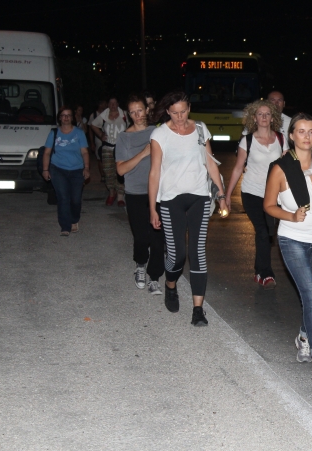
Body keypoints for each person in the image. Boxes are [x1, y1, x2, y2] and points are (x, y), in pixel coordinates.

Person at [264, 113, 312, 378]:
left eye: (311, 131)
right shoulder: (281, 168)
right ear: (291, 135)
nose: (307, 136)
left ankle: (303, 336)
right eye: (301, 131)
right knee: (310, 297)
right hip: (292, 239)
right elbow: (268, 205)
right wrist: (290, 215)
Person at [148, 91, 227, 326]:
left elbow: (211, 163)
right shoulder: (159, 134)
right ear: (167, 111)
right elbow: (154, 172)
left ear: (189, 108)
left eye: (183, 111)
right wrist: (152, 208)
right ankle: (170, 284)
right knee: (177, 255)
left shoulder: (200, 129)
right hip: (170, 198)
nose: (180, 117)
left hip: (199, 196)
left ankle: (198, 310)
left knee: (197, 252)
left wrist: (221, 196)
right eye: (174, 113)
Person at [225, 100, 287, 288]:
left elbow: (287, 167)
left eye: (267, 114)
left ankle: (259, 271)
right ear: (254, 118)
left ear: (273, 118)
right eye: (260, 114)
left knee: (268, 233)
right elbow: (238, 168)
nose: (264, 117)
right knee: (262, 231)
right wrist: (227, 196)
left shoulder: (280, 139)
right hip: (251, 192)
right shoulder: (247, 141)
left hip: (273, 195)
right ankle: (266, 273)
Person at [116, 94, 164, 295]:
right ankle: (140, 265)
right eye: (133, 112)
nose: (137, 115)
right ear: (129, 114)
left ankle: (155, 277)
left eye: (140, 110)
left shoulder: (158, 132)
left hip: (159, 192)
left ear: (147, 110)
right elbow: (121, 170)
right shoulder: (124, 137)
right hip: (135, 192)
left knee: (158, 238)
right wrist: (143, 153)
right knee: (142, 236)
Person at [41, 106, 90, 235]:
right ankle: (65, 226)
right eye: (63, 115)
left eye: (68, 115)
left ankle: (74, 219)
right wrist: (45, 169)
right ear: (60, 118)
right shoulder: (54, 133)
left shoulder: (79, 133)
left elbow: (85, 152)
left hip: (77, 170)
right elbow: (47, 153)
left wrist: (86, 167)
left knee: (75, 199)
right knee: (63, 197)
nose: (66, 117)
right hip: (58, 169)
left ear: (72, 117)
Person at [91, 97, 127, 206]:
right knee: (108, 171)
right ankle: (111, 193)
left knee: (120, 171)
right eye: (111, 103)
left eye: (115, 103)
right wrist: (100, 134)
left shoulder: (124, 114)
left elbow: (133, 126)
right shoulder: (104, 115)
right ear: (108, 105)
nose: (113, 105)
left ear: (118, 104)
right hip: (107, 147)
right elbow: (93, 124)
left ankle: (120, 196)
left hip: (121, 148)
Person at [88, 99, 107, 182]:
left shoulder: (107, 113)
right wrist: (92, 142)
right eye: (104, 103)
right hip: (98, 139)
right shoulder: (94, 115)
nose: (106, 105)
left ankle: (108, 174)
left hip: (107, 138)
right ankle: (102, 175)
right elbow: (90, 129)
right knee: (99, 158)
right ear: (100, 104)